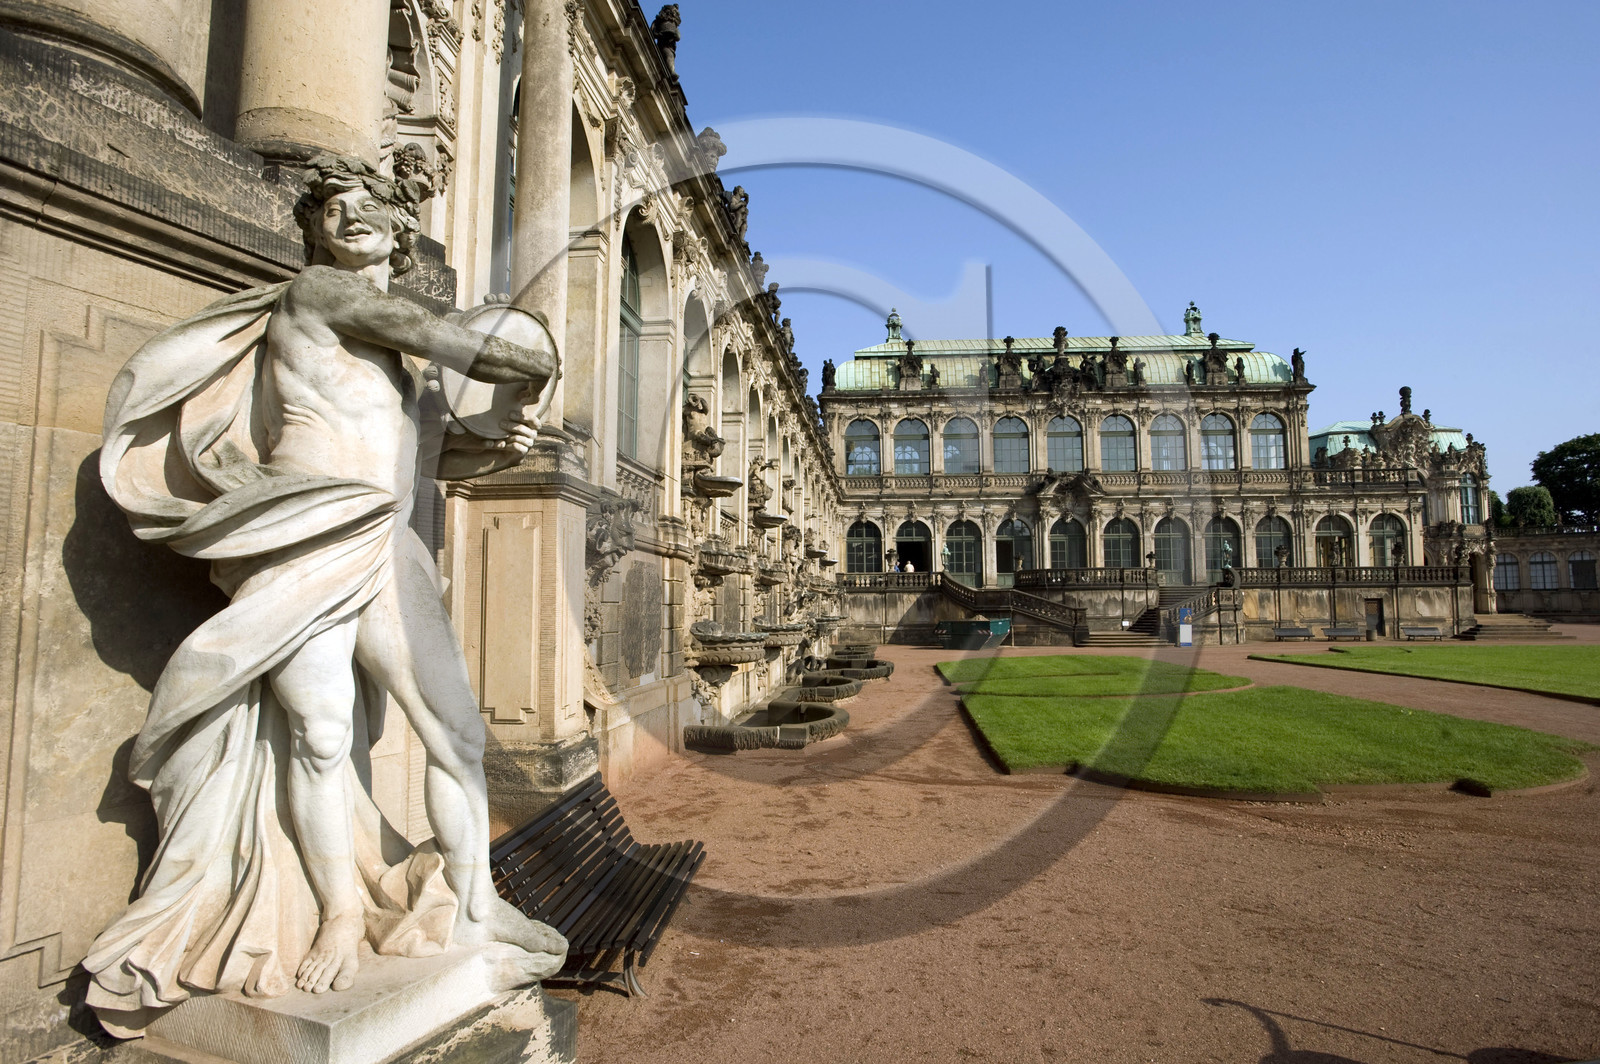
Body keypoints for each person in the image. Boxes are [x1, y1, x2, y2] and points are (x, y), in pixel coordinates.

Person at [86, 155, 564, 1032]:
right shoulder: (323, 294)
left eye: (365, 206)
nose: (348, 222)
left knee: (455, 731)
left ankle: (475, 900)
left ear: (398, 220)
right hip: (308, 529)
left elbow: (413, 450)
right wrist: (535, 353)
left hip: (382, 538)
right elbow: (481, 346)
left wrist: (492, 437)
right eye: (332, 212)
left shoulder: (392, 352)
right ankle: (342, 910)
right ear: (314, 234)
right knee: (319, 733)